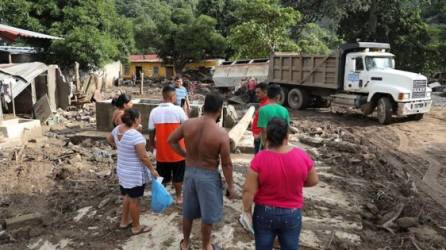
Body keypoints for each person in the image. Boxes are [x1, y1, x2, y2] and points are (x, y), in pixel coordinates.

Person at [168, 93, 235, 250]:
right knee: (208, 215)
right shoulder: (221, 134)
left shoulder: (188, 124)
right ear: (219, 110)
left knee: (188, 212)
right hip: (208, 176)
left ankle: (185, 243)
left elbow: (170, 140)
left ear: (204, 107)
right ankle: (206, 246)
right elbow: (226, 164)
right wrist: (230, 186)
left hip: (190, 173)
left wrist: (185, 154)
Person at [242, 118, 319, 250]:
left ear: (267, 136)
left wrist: (247, 211)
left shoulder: (259, 158)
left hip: (264, 213)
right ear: (287, 136)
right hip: (292, 213)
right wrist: (296, 182)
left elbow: (249, 191)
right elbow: (313, 180)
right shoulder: (302, 156)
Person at [107, 108, 160, 235]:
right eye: (140, 118)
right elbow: (143, 157)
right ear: (136, 120)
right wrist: (152, 170)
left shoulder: (117, 129)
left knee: (127, 196)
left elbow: (109, 138)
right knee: (135, 200)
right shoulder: (136, 136)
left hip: (122, 170)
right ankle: (136, 227)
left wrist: (117, 146)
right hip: (134, 174)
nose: (141, 120)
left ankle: (124, 221)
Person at [148, 85, 188, 204]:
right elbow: (186, 126)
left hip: (162, 151)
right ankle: (179, 197)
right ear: (172, 97)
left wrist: (152, 145)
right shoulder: (178, 110)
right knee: (178, 177)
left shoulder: (154, 111)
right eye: (175, 95)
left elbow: (151, 131)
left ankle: (161, 196)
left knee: (161, 176)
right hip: (178, 151)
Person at [251, 82, 269, 154]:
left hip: (260, 139)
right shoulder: (263, 103)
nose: (256, 94)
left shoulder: (266, 105)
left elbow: (265, 125)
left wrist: (259, 137)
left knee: (259, 161)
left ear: (265, 92)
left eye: (258, 92)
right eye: (256, 92)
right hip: (259, 137)